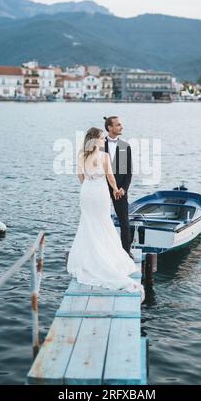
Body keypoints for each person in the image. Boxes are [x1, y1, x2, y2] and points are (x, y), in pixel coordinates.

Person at [67, 127, 144, 300]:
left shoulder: (82, 155)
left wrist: (88, 186)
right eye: (102, 138)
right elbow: (110, 177)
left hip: (87, 191)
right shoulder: (104, 156)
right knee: (103, 223)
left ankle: (89, 260)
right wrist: (116, 190)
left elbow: (80, 176)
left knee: (88, 223)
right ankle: (105, 259)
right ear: (95, 139)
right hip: (100, 192)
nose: (104, 140)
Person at [103, 116, 133, 259]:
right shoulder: (99, 145)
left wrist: (123, 189)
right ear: (110, 127)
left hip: (120, 190)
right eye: (118, 125)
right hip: (101, 189)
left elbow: (129, 172)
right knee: (100, 220)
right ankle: (102, 251)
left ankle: (125, 253)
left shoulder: (125, 146)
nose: (121, 127)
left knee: (125, 223)